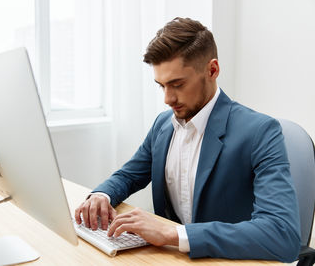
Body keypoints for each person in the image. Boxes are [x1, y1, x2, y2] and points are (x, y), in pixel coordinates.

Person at [74, 17, 300, 262]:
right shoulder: (163, 125)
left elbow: (282, 234)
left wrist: (174, 234)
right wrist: (101, 196)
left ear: (212, 70)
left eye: (177, 84)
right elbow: (129, 175)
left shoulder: (261, 132)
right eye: (161, 86)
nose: (168, 99)